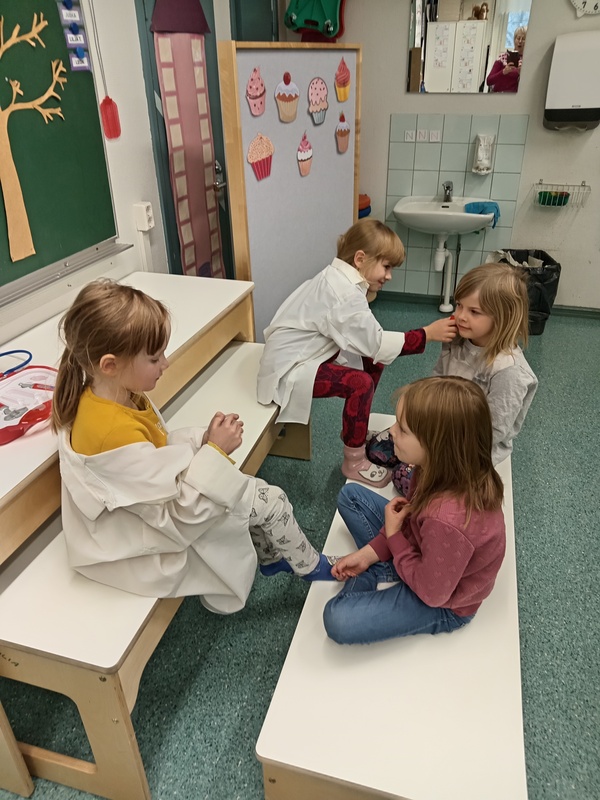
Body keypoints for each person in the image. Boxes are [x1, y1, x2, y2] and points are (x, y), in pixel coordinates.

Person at [51, 280, 339, 616]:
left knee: (258, 497)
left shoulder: (114, 394)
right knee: (271, 501)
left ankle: (273, 557)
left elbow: (157, 450)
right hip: (136, 539)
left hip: (153, 506)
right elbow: (175, 518)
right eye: (154, 358)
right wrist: (214, 451)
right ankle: (310, 566)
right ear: (110, 365)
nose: (165, 364)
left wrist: (203, 441)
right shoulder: (113, 431)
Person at [256, 219, 456, 488]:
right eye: (386, 267)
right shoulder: (343, 293)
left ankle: (356, 432)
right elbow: (378, 343)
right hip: (290, 368)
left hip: (304, 353)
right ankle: (354, 461)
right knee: (360, 384)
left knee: (373, 363)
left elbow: (369, 340)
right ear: (360, 259)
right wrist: (427, 333)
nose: (389, 276)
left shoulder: (339, 279)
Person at [323, 376, 506, 646]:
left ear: (436, 446)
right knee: (351, 496)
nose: (391, 431)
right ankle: (385, 567)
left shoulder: (447, 520)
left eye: (403, 429)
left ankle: (382, 571)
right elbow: (410, 523)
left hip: (442, 602)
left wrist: (393, 537)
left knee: (337, 619)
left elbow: (433, 594)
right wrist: (368, 554)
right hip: (426, 550)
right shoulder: (434, 469)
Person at [367, 262, 538, 494]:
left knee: (405, 479)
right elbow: (437, 382)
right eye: (459, 305)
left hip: (468, 449)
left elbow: (493, 432)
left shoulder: (509, 370)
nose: (460, 316)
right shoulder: (456, 340)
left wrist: (434, 450)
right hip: (439, 426)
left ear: (503, 317)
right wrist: (420, 424)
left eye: (474, 312)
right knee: (378, 450)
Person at [486, 26, 527, 93]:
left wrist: (522, 74)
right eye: (518, 38)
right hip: (498, 95)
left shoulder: (527, 61)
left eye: (523, 39)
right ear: (514, 40)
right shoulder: (502, 58)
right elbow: (489, 81)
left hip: (515, 97)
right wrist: (503, 72)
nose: (520, 41)